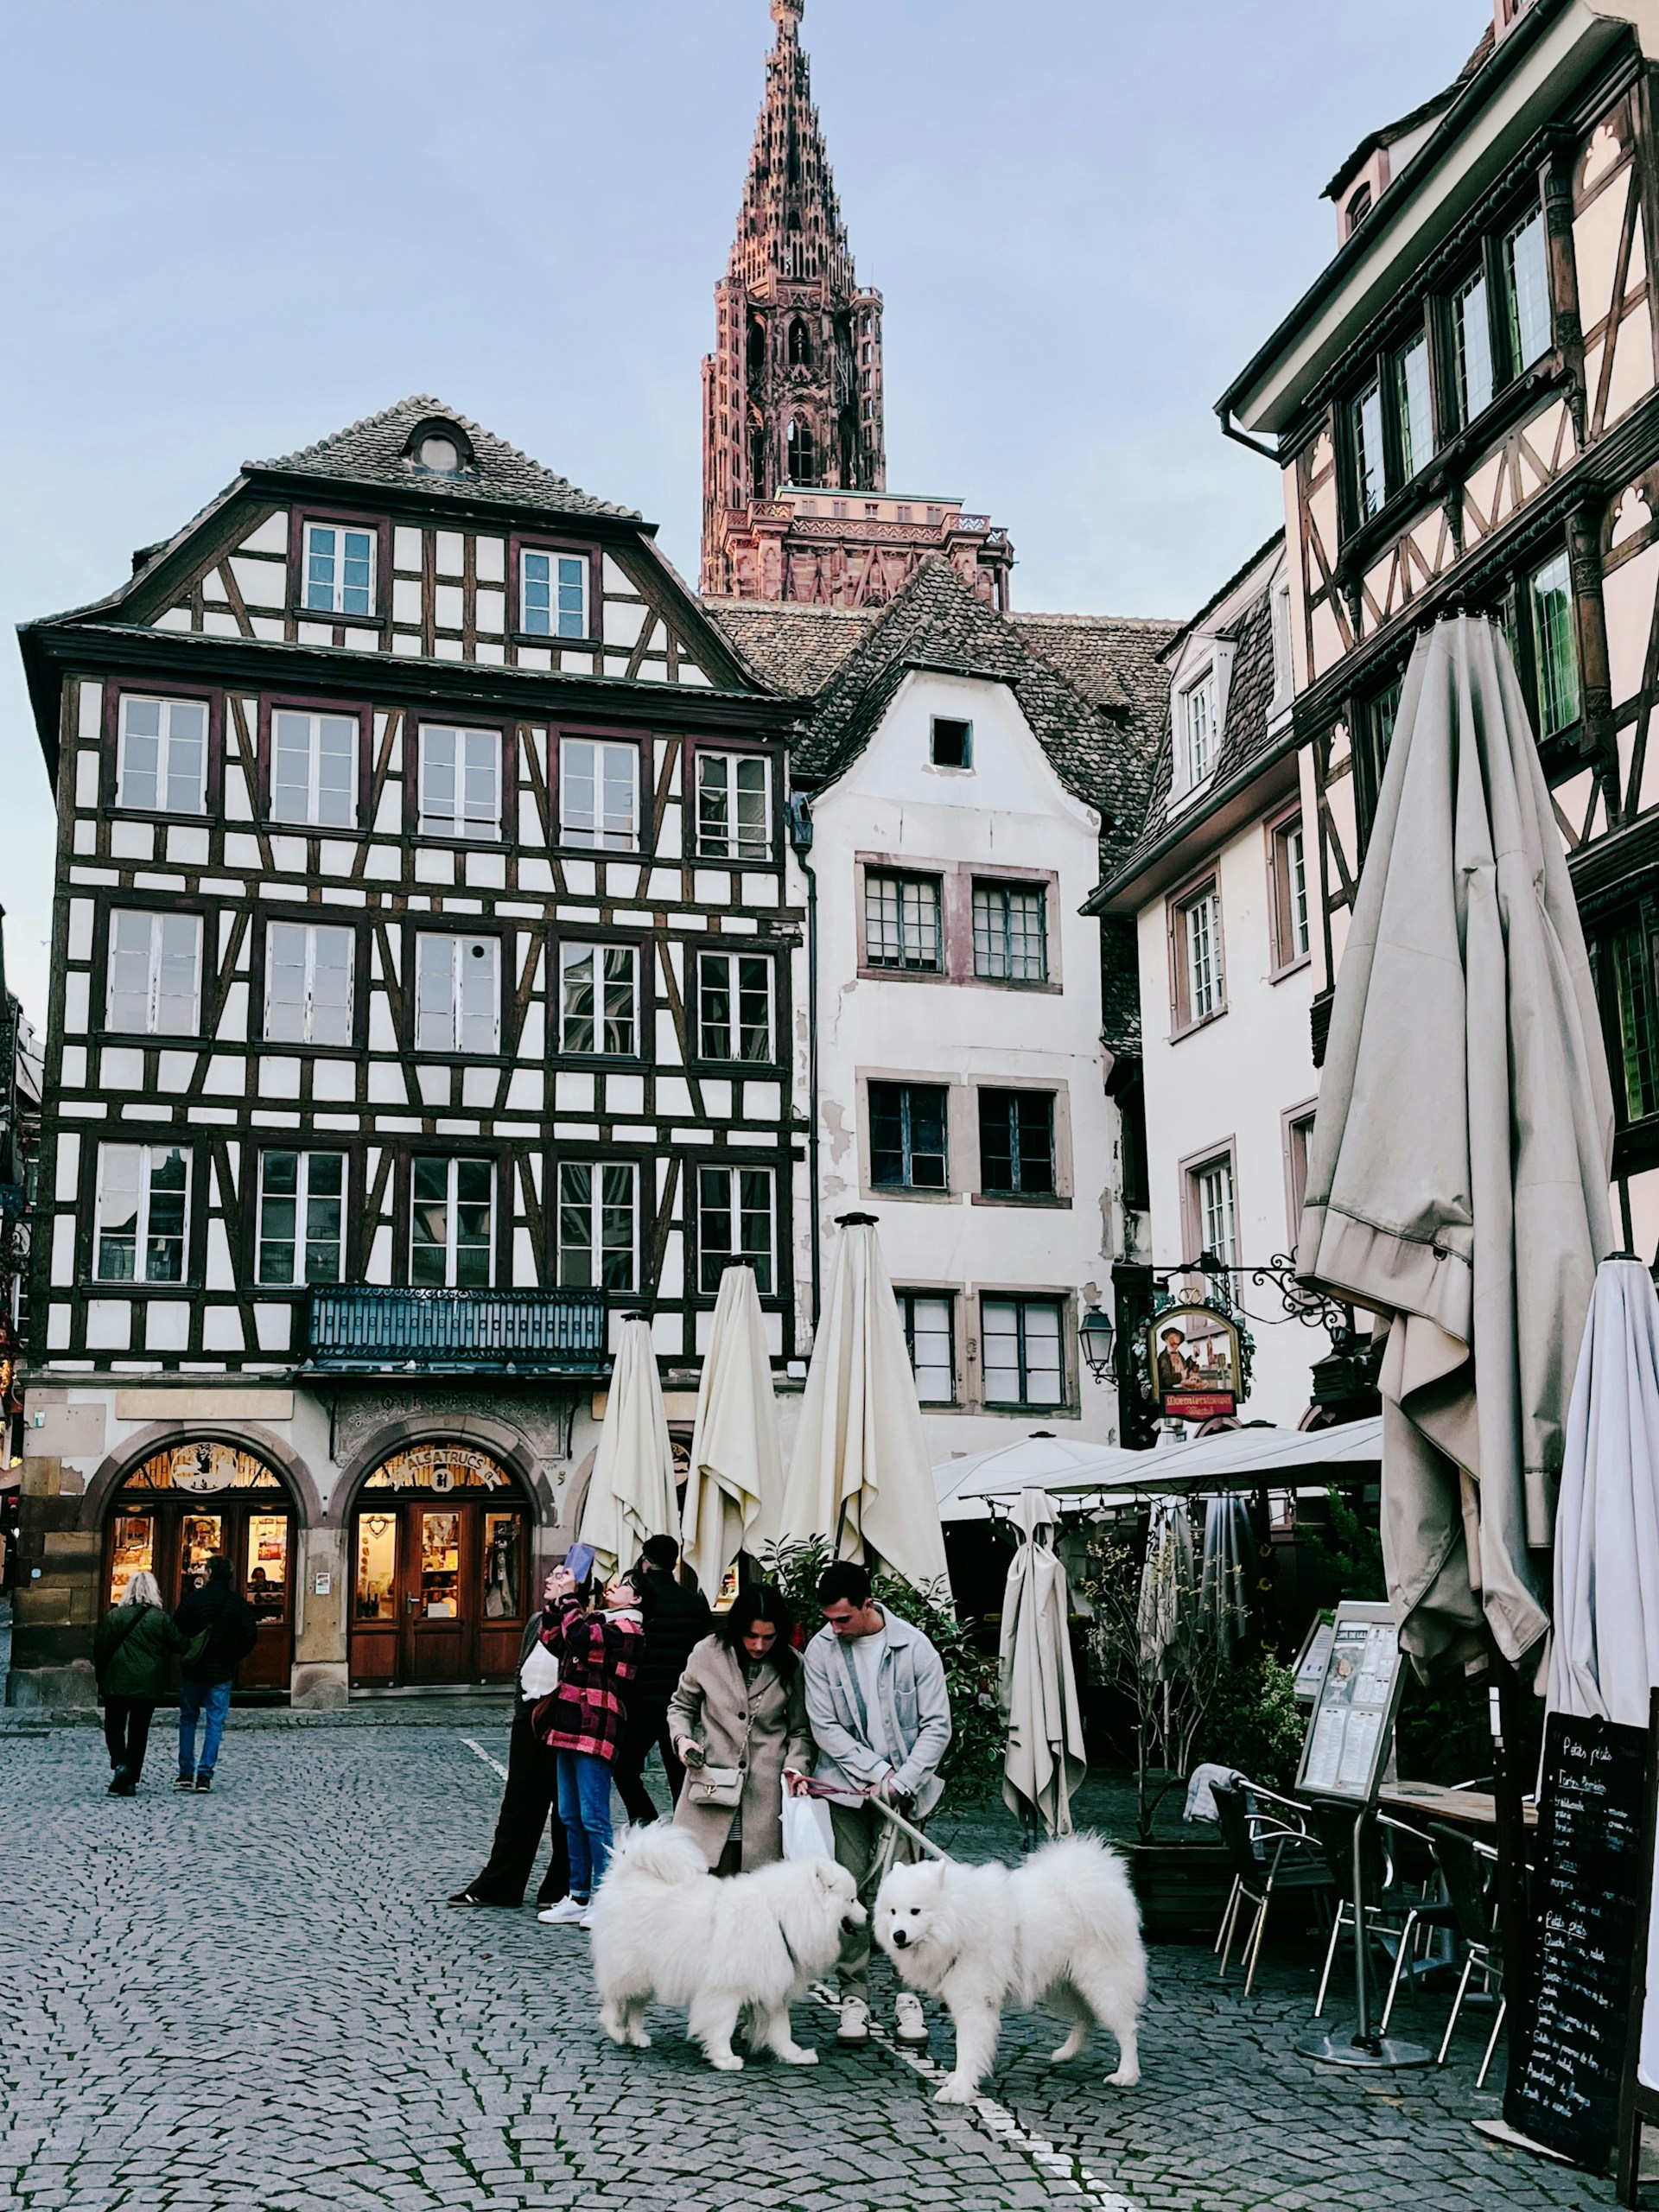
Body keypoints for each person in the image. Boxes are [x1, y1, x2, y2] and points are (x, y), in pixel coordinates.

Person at [802, 1560, 951, 2050]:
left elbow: (937, 1726)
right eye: (828, 1619)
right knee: (850, 1892)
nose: (835, 1628)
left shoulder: (915, 1647)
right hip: (845, 1791)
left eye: (843, 1619)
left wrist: (902, 1781)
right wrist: (876, 1772)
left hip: (906, 1796)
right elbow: (824, 1727)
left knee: (907, 1896)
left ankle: (909, 1995)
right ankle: (854, 1995)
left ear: (868, 1604)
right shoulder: (821, 1650)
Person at [668, 1583, 812, 1874]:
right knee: (703, 1881)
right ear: (737, 1628)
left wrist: (795, 1767)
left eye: (768, 1637)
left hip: (766, 1796)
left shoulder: (792, 1664)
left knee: (756, 1885)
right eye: (751, 1636)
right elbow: (681, 1706)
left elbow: (801, 1730)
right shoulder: (707, 1653)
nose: (759, 1645)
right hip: (711, 1784)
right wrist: (682, 1740)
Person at [449, 1574, 571, 1910]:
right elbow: (522, 1665)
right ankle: (501, 1885)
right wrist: (521, 1709)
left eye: (560, 1575)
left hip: (562, 1720)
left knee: (564, 1808)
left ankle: (559, 1887)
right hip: (530, 1719)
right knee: (518, 1805)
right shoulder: (536, 1621)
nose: (550, 1579)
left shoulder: (582, 1624)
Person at [534, 1562, 645, 1928]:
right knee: (569, 1815)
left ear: (637, 1599)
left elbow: (580, 1639)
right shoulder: (599, 1620)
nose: (614, 1586)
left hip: (597, 1726)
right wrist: (556, 1601)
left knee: (594, 1817)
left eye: (624, 1585)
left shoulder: (629, 1630)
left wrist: (569, 1598)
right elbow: (554, 1639)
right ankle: (579, 1895)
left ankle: (605, 1897)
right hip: (568, 1722)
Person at [613, 1533, 712, 1827]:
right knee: (680, 1774)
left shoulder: (637, 1601)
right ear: (674, 1563)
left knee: (624, 1768)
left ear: (646, 1561)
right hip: (679, 1703)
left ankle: (647, 1822)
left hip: (639, 1701)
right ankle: (686, 1830)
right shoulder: (695, 1603)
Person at [94, 1571, 194, 1796]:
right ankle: (130, 1778)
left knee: (114, 1726)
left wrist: (101, 1677)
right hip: (147, 1683)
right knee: (139, 1730)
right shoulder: (159, 1619)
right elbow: (180, 1644)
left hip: (116, 1680)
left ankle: (121, 1765)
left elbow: (100, 1648)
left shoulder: (114, 1616)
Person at [173, 1554, 257, 1792]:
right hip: (221, 1671)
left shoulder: (193, 1601)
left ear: (209, 1574)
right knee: (215, 1722)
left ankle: (185, 1773)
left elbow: (175, 1630)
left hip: (194, 1669)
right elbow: (250, 1635)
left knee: (188, 1719)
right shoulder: (237, 1604)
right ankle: (204, 1775)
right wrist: (233, 1655)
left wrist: (187, 1651)